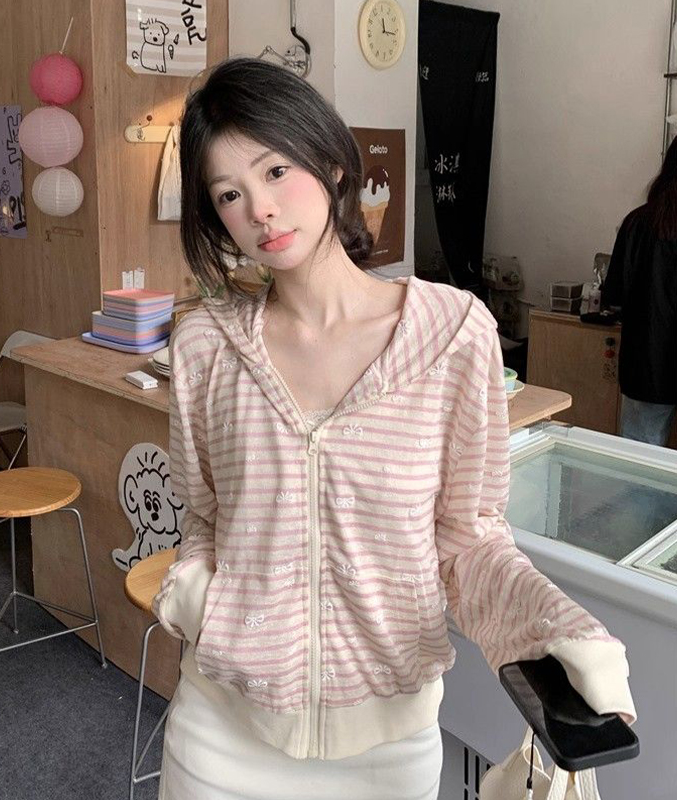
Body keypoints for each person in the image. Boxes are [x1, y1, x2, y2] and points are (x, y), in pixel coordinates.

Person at [152, 56, 636, 800]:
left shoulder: (452, 335)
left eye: (276, 171)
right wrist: (197, 595)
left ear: (332, 164)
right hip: (220, 728)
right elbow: (205, 517)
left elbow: (468, 540)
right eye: (229, 194)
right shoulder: (204, 345)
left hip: (385, 748)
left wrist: (553, 625)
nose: (261, 210)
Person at [603, 136, 677, 446]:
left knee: (639, 461)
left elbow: (614, 299)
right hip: (649, 366)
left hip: (647, 365)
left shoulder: (636, 223)